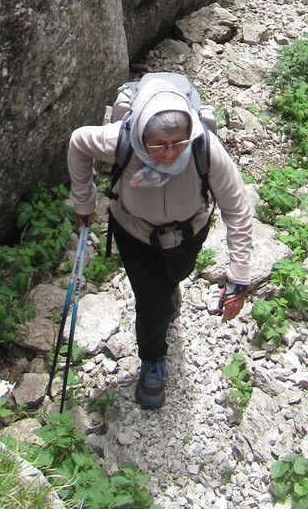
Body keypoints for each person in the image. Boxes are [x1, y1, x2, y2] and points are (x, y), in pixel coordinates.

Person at [67, 72, 254, 410]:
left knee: (177, 275)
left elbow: (237, 208)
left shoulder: (204, 147)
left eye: (177, 143)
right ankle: (152, 360)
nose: (169, 154)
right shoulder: (121, 140)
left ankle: (169, 287)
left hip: (190, 230)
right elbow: (79, 142)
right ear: (142, 134)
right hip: (134, 231)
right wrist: (84, 200)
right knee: (152, 304)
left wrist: (238, 276)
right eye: (158, 145)